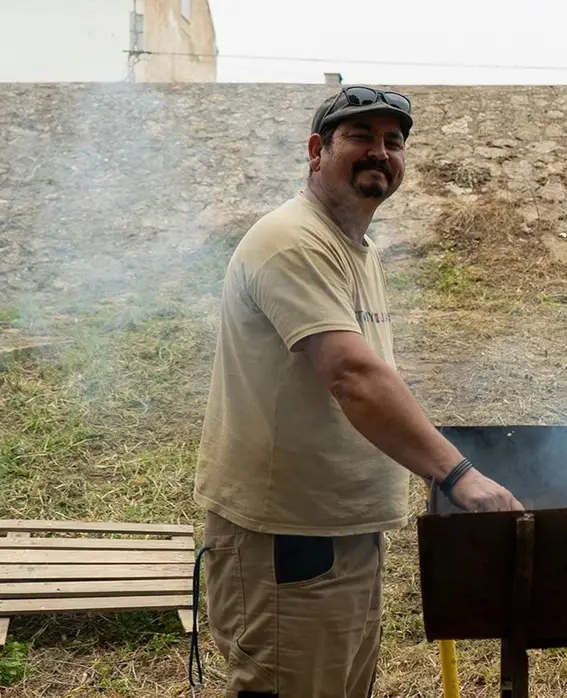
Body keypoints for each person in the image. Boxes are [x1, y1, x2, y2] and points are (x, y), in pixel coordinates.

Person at [190, 85, 524, 698]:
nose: (380, 152)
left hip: (339, 528)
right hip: (290, 537)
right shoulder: (292, 240)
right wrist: (455, 475)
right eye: (360, 137)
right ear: (317, 150)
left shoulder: (354, 246)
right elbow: (353, 376)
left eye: (393, 142)